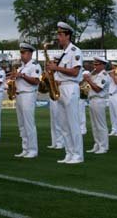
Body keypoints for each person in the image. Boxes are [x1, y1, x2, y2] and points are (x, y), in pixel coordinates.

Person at [47, 22, 84, 164]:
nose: (58, 37)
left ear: (68, 35)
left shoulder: (75, 51)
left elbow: (75, 72)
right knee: (63, 123)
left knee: (72, 123)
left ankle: (78, 154)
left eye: (61, 35)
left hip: (70, 87)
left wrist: (56, 68)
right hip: (61, 88)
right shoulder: (63, 53)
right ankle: (69, 153)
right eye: (58, 34)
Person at [13, 43, 42, 159]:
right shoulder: (22, 66)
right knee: (22, 124)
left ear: (30, 53)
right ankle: (25, 148)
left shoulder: (34, 65)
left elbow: (36, 81)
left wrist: (22, 75)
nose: (22, 55)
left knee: (29, 123)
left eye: (23, 53)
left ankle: (33, 149)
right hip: (20, 95)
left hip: (28, 95)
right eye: (21, 52)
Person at [85, 57, 110, 154]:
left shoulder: (103, 75)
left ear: (103, 65)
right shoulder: (95, 75)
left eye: (97, 64)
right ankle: (97, 144)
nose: (95, 66)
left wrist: (88, 80)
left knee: (100, 124)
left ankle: (103, 146)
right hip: (92, 100)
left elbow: (98, 89)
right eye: (94, 64)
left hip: (99, 99)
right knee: (94, 125)